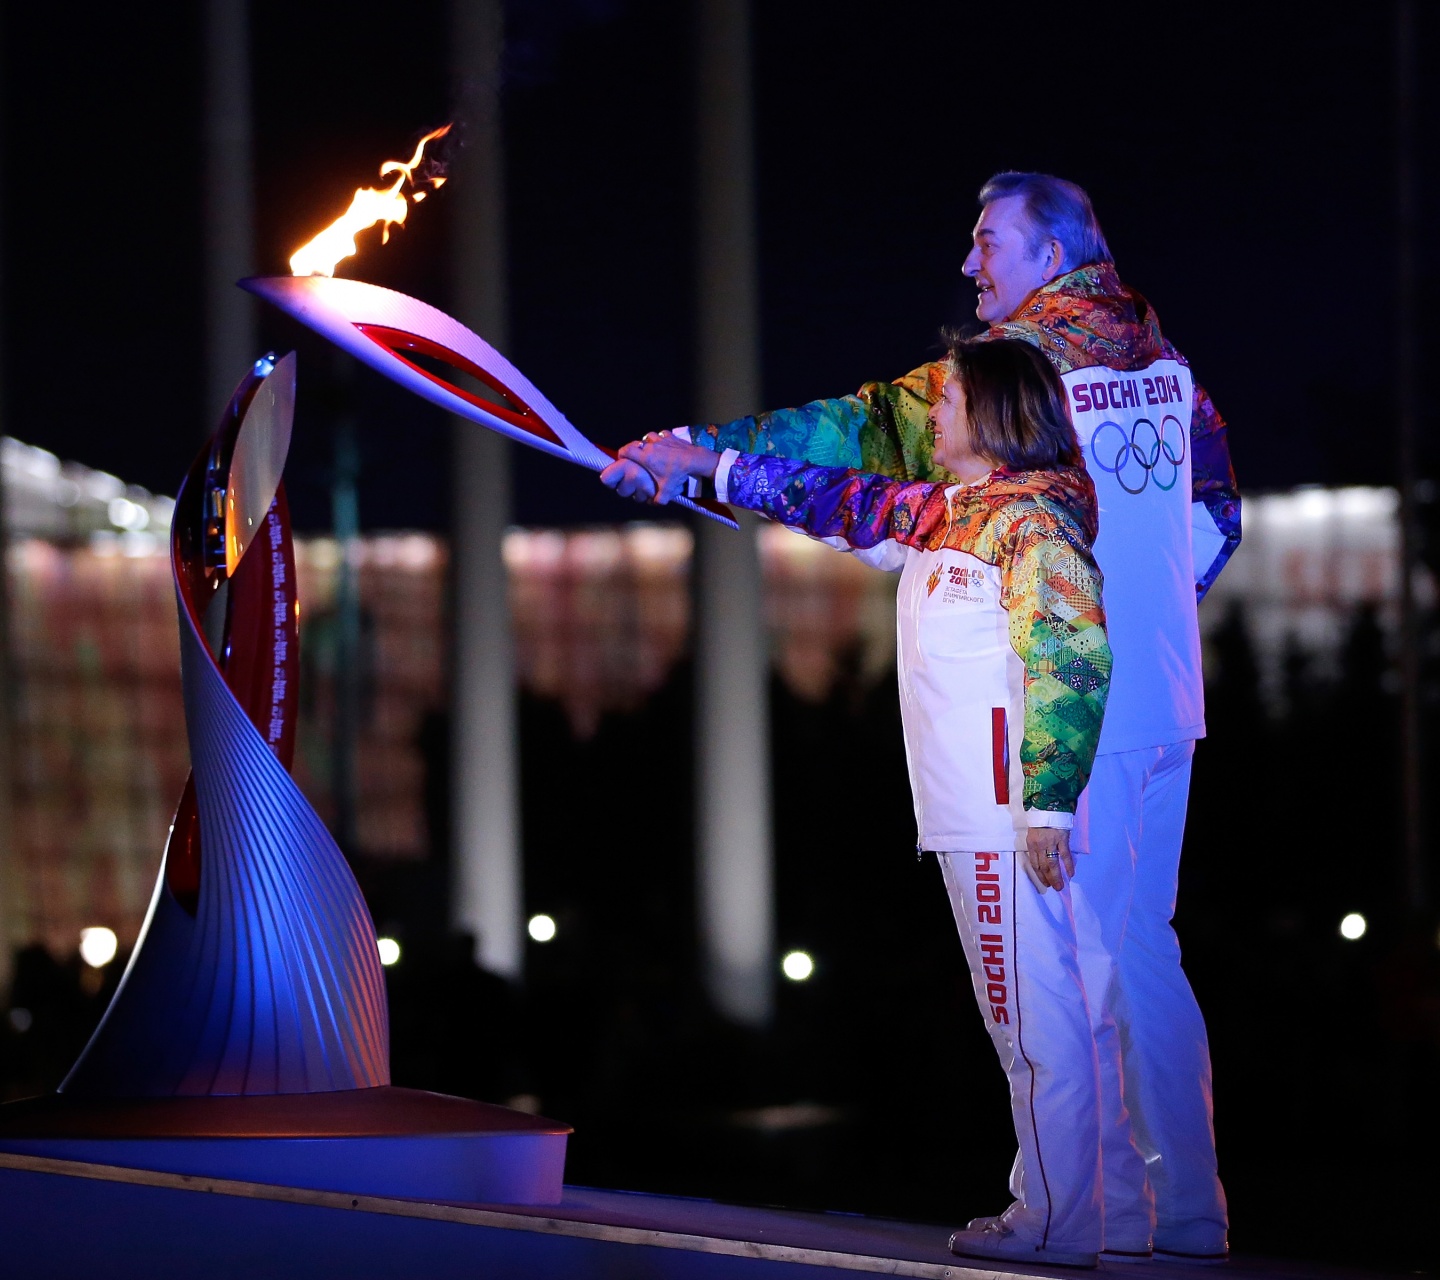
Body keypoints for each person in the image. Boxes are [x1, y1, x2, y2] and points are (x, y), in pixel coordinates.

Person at [618, 173, 1237, 1266]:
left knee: (1064, 971)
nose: (971, 263)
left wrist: (697, 451)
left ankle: (1074, 1214)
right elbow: (1220, 518)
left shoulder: (1020, 368)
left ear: (1052, 253)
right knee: (1143, 951)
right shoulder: (1166, 359)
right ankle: (1179, 1206)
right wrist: (1145, 615)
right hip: (1157, 693)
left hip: (1062, 709)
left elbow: (858, 438)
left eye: (988, 240)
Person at [606, 337, 1113, 1268]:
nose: (934, 413)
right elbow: (833, 500)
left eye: (951, 399)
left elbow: (1072, 660)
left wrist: (1046, 808)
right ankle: (1053, 1209)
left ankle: (1059, 1224)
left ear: (998, 414)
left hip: (1005, 818)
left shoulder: (1029, 524)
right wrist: (692, 469)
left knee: (1034, 1017)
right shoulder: (949, 513)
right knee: (1019, 1021)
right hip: (972, 814)